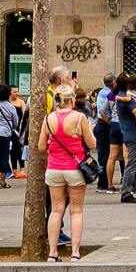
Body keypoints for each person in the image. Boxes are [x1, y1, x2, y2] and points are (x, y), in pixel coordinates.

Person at [40, 84, 94, 261]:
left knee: (56, 210)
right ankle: (75, 252)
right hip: (75, 169)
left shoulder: (48, 119)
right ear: (71, 100)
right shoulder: (79, 118)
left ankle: (52, 252)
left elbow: (41, 146)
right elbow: (92, 144)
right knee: (76, 211)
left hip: (54, 169)